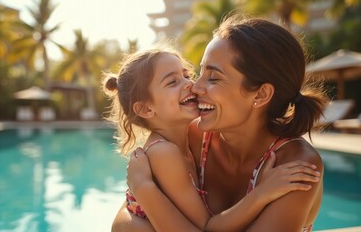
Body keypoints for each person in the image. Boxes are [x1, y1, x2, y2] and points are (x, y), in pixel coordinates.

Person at [112, 15, 329, 232]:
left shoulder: (295, 166)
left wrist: (145, 190)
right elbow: (124, 222)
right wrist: (143, 194)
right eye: (200, 72)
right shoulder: (192, 137)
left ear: (261, 94)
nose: (194, 87)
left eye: (213, 78)